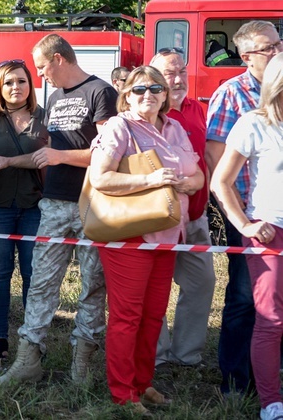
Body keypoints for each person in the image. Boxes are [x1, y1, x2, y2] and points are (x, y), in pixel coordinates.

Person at [0, 34, 118, 385]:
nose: (40, 74)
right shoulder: (55, 97)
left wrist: (61, 156)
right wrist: (8, 161)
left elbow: (111, 152)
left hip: (92, 203)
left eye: (41, 66)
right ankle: (28, 360)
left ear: (60, 59)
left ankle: (81, 367)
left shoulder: (100, 92)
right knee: (40, 284)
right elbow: (45, 154)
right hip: (53, 202)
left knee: (92, 285)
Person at [89, 66, 203, 414]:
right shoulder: (119, 126)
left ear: (166, 95)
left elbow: (197, 174)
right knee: (127, 317)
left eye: (156, 88)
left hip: (168, 232)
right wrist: (152, 180)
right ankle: (123, 394)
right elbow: (100, 177)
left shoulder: (175, 127)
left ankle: (142, 383)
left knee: (153, 316)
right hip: (130, 233)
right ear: (127, 95)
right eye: (139, 90)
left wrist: (190, 183)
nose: (148, 95)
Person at [205, 20, 283, 395]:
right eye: (268, 47)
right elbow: (215, 159)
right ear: (246, 55)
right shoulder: (231, 94)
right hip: (250, 215)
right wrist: (241, 217)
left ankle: (269, 373)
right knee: (242, 298)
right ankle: (236, 381)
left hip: (273, 214)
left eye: (278, 43)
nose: (277, 50)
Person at [0, 59, 48, 362]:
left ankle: (33, 340)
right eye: (8, 82)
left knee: (34, 273)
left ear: (30, 85)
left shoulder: (45, 117)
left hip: (35, 207)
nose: (15, 87)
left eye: (21, 81)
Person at [149, 50, 215, 367]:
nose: (176, 79)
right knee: (156, 288)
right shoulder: (148, 115)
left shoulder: (198, 110)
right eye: (168, 73)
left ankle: (187, 356)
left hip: (197, 218)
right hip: (158, 219)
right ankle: (157, 356)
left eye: (181, 72)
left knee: (202, 284)